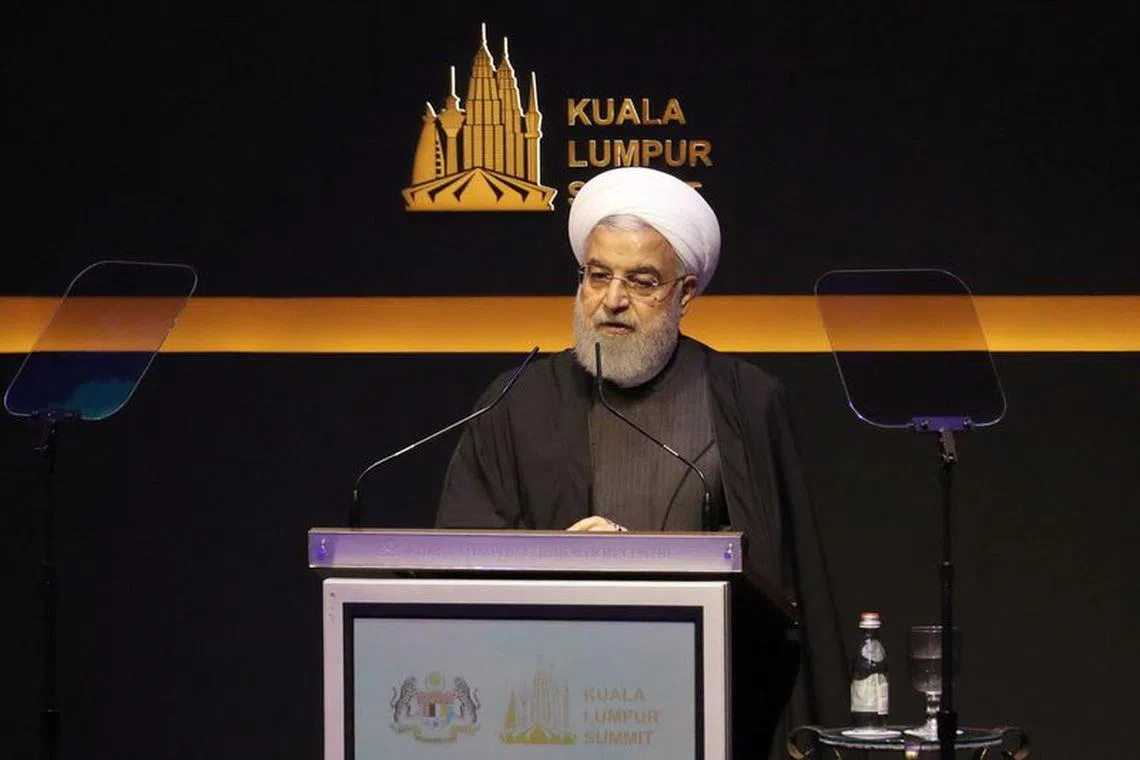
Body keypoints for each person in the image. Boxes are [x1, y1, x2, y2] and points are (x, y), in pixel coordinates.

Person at [435, 166, 844, 757]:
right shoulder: (516, 399)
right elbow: (460, 554)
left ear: (687, 292)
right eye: (597, 276)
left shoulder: (747, 399)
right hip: (540, 709)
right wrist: (556, 561)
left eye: (643, 281)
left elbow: (785, 587)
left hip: (704, 711)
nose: (613, 301)